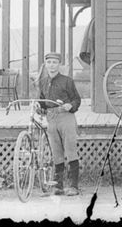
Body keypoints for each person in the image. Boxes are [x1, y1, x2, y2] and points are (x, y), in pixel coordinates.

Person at [37, 52, 82, 196]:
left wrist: (71, 105)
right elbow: (42, 101)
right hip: (51, 119)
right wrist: (40, 108)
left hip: (66, 117)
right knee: (56, 152)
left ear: (59, 65)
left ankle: (74, 186)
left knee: (70, 149)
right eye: (49, 62)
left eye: (54, 62)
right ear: (45, 64)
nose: (51, 65)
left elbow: (77, 99)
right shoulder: (42, 82)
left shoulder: (67, 81)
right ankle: (59, 186)